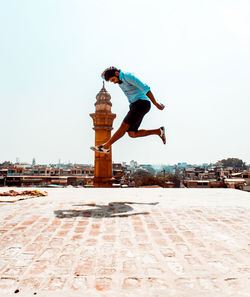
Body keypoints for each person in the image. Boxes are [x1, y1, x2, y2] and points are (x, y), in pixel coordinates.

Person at [91, 67, 166, 153]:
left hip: (141, 103)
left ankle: (106, 146)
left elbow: (146, 88)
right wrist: (105, 74)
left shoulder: (128, 76)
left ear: (116, 73)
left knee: (123, 127)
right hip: (134, 105)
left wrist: (156, 104)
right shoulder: (119, 80)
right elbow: (103, 75)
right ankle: (159, 131)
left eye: (113, 80)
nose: (114, 82)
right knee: (132, 134)